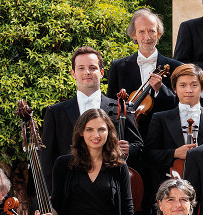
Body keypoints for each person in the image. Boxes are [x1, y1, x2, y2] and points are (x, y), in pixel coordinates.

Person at [43, 46, 135, 186]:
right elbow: (47, 159)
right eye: (81, 68)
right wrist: (50, 193)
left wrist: (129, 149)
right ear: (73, 73)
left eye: (92, 67)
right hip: (69, 189)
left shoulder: (122, 108)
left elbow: (139, 146)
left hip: (109, 187)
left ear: (102, 72)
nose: (87, 72)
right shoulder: (55, 112)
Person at [47, 109, 135, 215]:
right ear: (81, 132)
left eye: (101, 129)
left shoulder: (119, 167)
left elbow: (127, 213)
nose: (96, 135)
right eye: (89, 130)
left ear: (109, 132)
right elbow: (56, 206)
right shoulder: (63, 164)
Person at [106, 8, 181, 135]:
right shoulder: (118, 66)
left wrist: (160, 89)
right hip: (129, 135)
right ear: (134, 35)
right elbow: (111, 105)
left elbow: (179, 105)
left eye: (152, 31)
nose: (147, 37)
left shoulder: (176, 67)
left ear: (159, 34)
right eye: (141, 31)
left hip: (164, 135)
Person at [145, 64, 203, 182]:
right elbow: (148, 155)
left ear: (202, 88)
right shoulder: (160, 118)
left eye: (194, 85)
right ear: (174, 88)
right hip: (169, 183)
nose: (188, 90)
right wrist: (175, 153)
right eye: (182, 85)